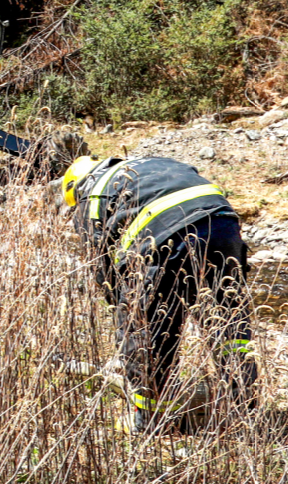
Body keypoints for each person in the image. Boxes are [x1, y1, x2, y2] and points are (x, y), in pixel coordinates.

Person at [60, 155, 256, 433]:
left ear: (75, 189)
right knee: (227, 321)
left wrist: (125, 313)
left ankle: (151, 421)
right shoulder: (147, 163)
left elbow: (104, 272)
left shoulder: (92, 195)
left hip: (167, 237)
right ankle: (242, 405)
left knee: (145, 335)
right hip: (224, 225)